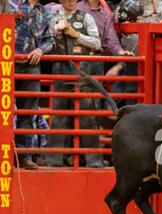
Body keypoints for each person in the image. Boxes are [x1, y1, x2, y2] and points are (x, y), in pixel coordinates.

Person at [45, 0, 104, 167]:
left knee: (87, 113)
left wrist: (75, 34)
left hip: (82, 69)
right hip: (60, 67)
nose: (71, 1)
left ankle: (94, 160)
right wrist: (54, 33)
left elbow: (97, 43)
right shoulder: (53, 17)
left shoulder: (86, 18)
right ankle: (54, 160)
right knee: (58, 114)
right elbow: (46, 41)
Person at [10, 0, 55, 170]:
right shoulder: (10, 4)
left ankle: (23, 156)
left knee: (28, 112)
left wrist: (40, 50)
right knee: (0, 108)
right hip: (8, 62)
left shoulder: (45, 12)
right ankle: (0, 153)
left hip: (31, 65)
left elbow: (51, 40)